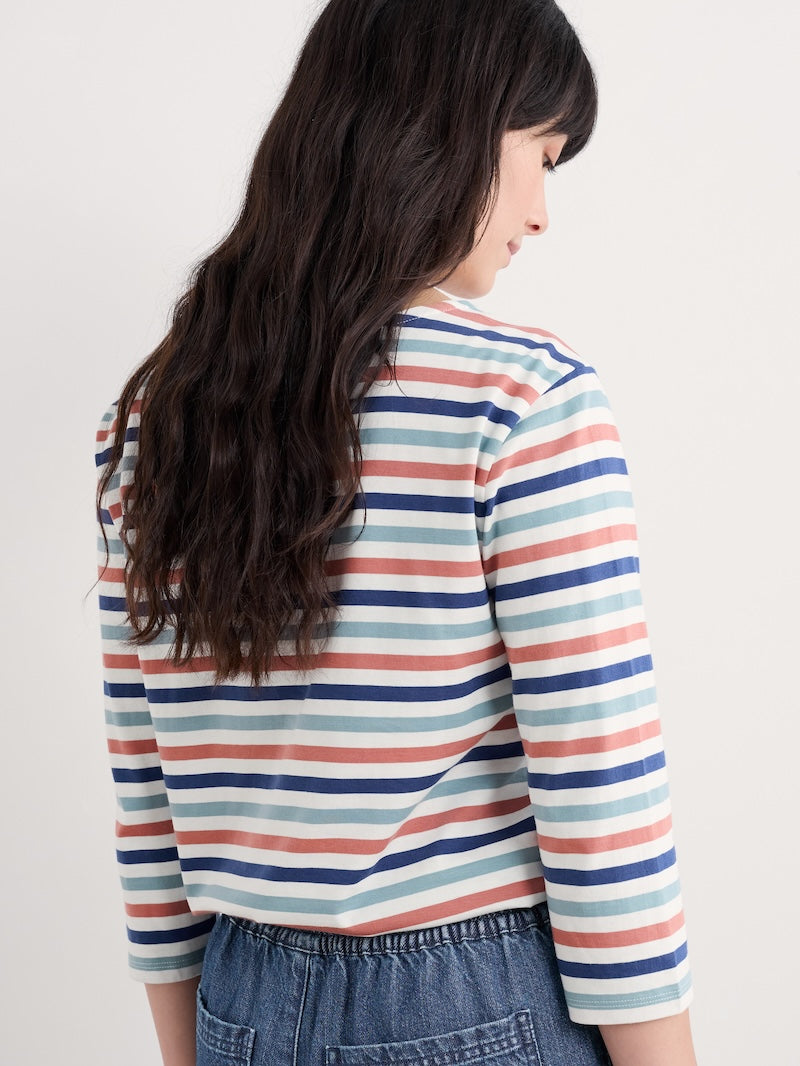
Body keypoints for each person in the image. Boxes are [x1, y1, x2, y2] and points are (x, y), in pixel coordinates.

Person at [95, 2, 698, 1063]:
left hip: (239, 995)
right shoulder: (520, 400)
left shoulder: (154, 419)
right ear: (452, 125)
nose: (541, 212)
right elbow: (599, 797)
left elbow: (148, 795)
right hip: (469, 1002)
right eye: (540, 155)